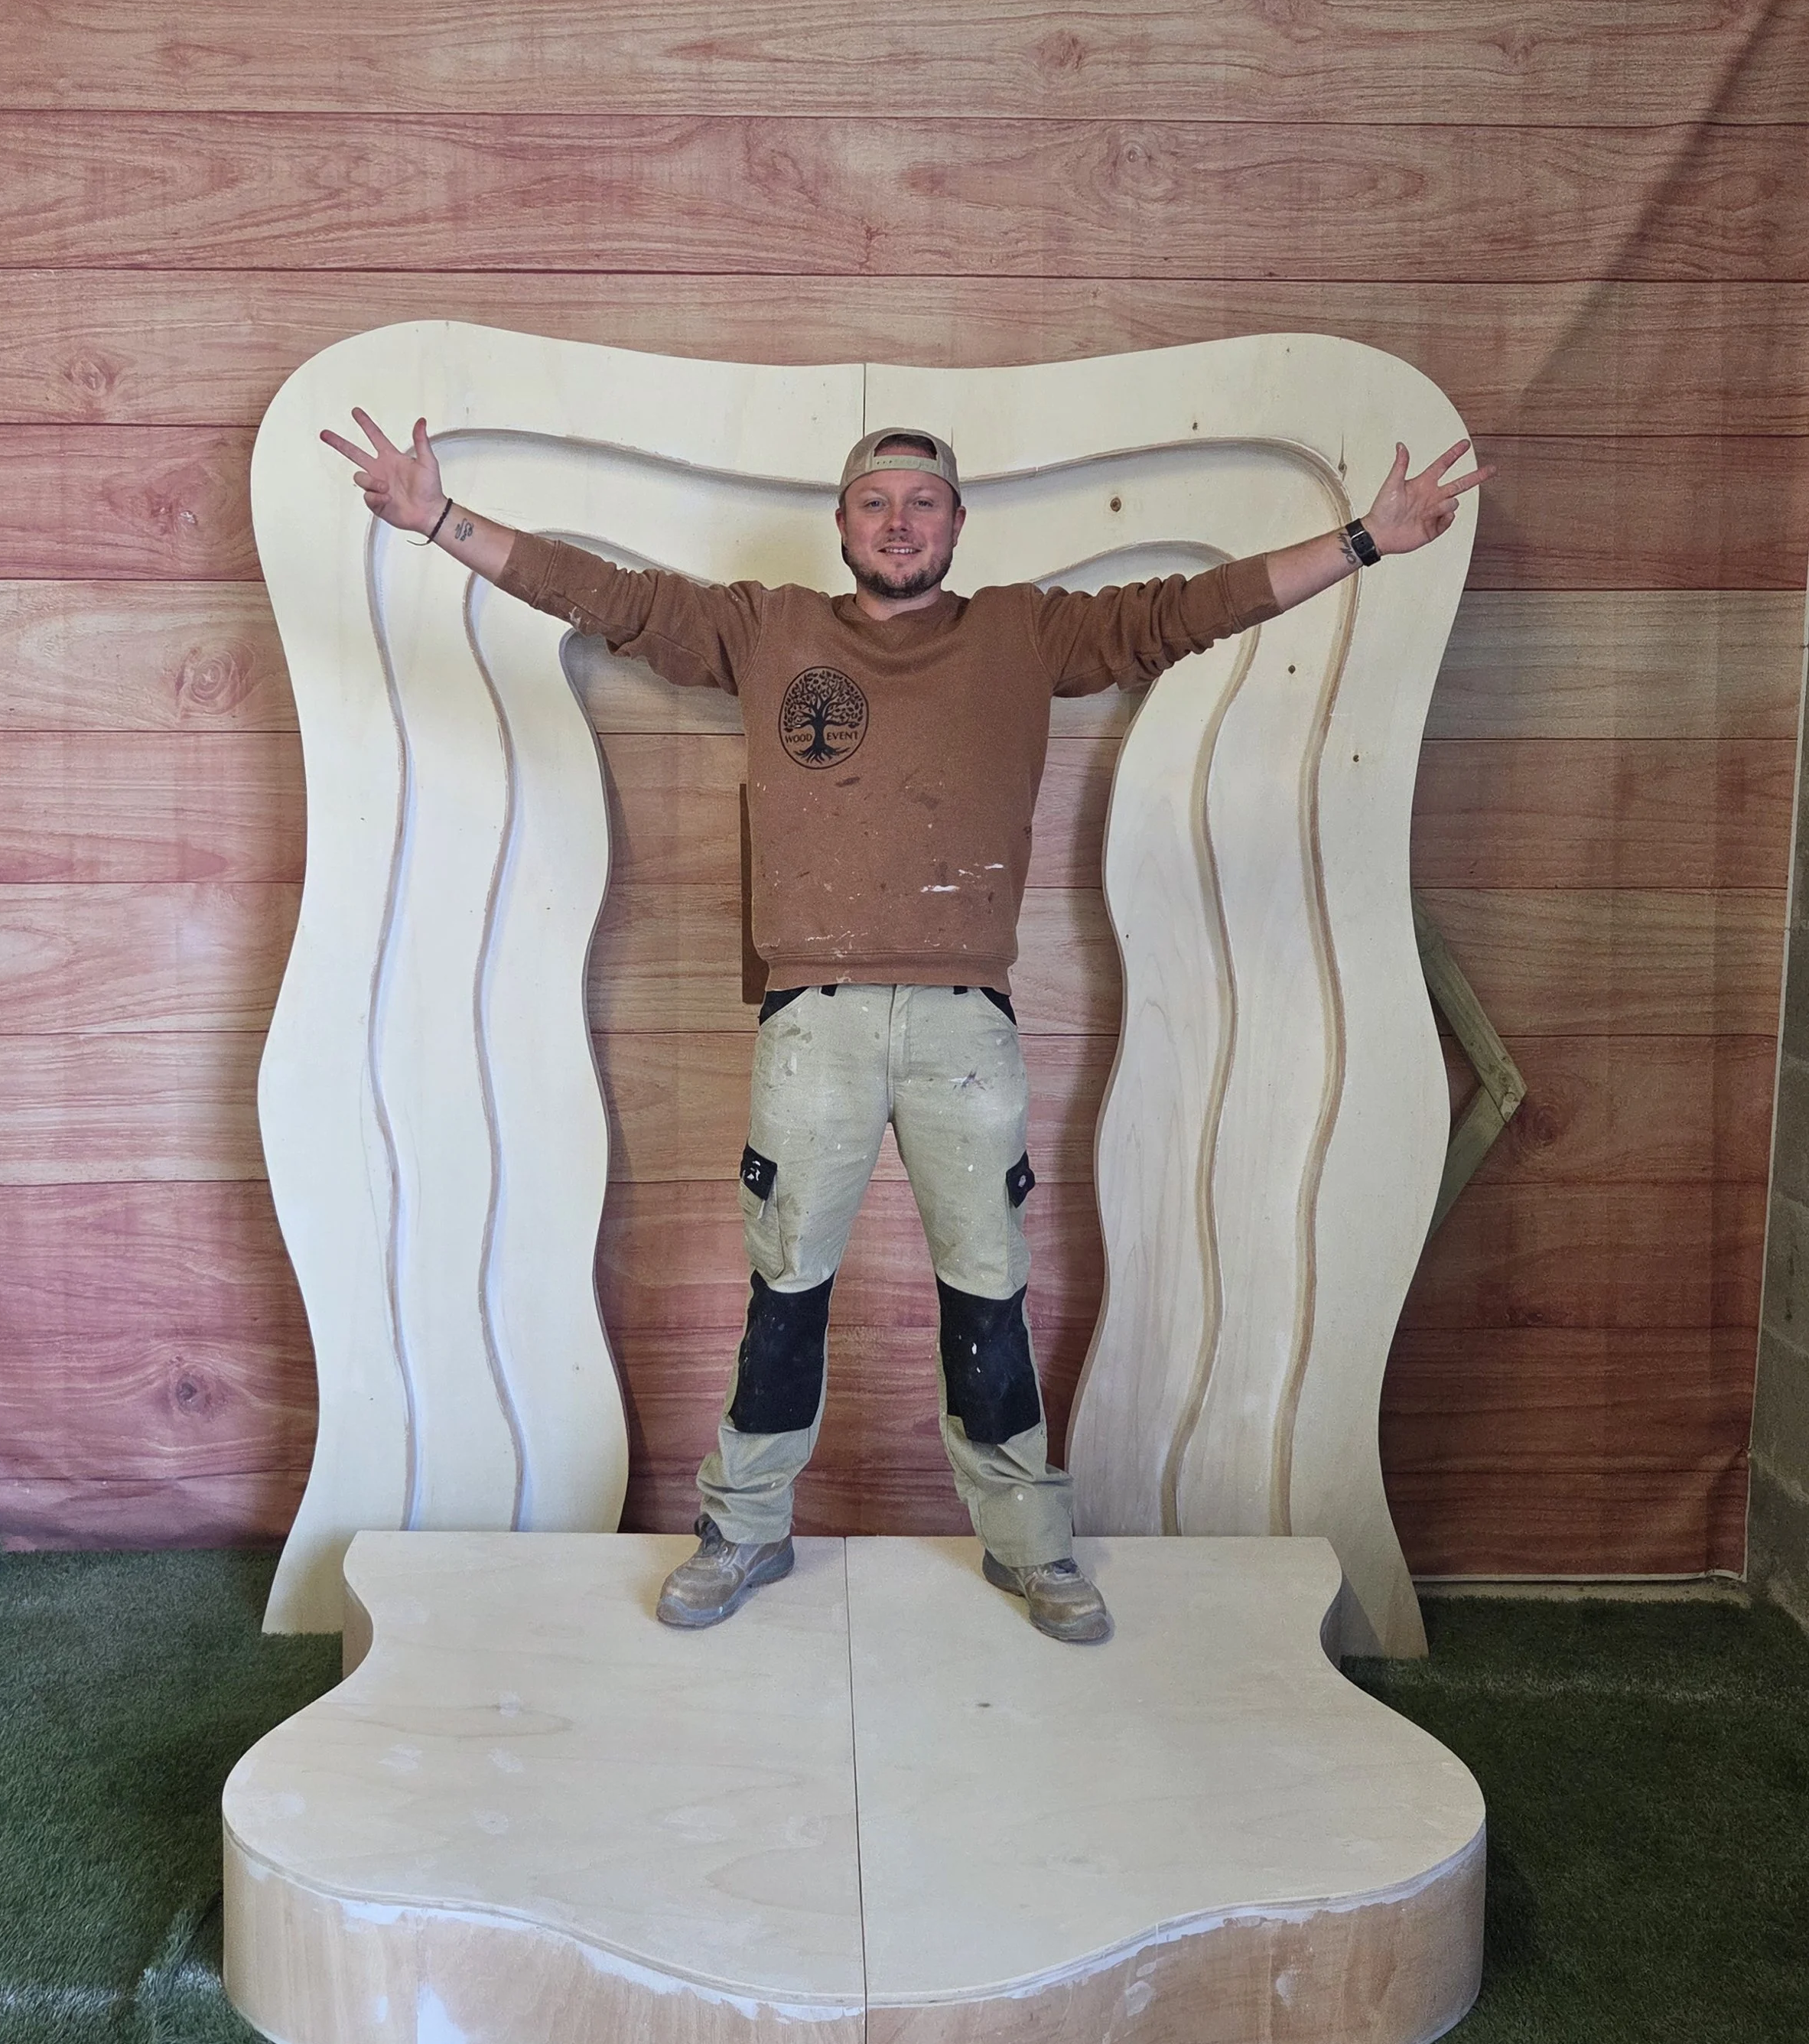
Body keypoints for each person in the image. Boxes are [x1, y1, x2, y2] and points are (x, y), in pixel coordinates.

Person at [320, 408, 1482, 1646]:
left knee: (988, 1294)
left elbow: (1189, 611)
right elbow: (608, 595)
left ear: (957, 525)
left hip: (963, 1026)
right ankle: (745, 1532)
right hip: (810, 1021)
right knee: (786, 1291)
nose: (898, 521)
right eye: (875, 502)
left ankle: (1029, 1548)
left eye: (922, 503)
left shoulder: (1029, 634)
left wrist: (1365, 540)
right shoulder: (766, 630)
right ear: (843, 524)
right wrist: (438, 518)